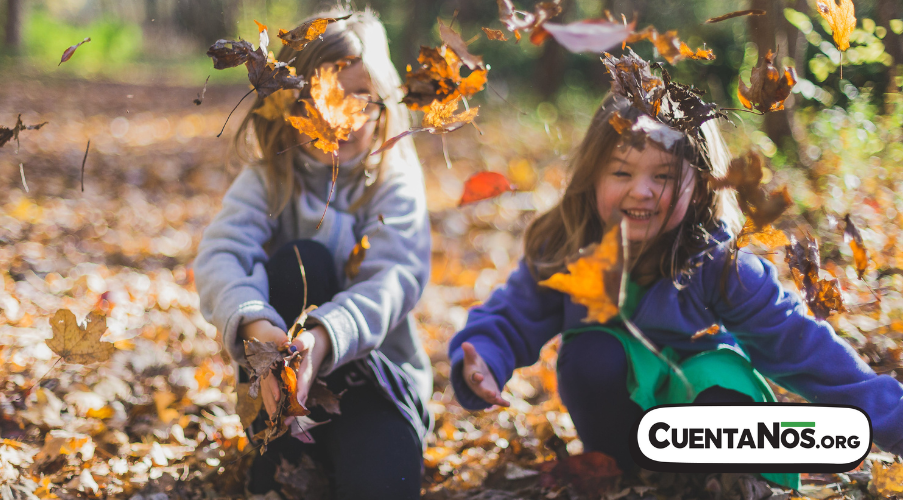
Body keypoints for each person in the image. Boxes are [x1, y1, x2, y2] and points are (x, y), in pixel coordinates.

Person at [448, 56, 903, 490]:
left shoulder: (720, 264)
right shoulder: (570, 246)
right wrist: (485, 357)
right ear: (593, 175)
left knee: (719, 387)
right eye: (621, 172)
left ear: (701, 184)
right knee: (592, 355)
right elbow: (513, 315)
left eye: (663, 176)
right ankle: (629, 470)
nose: (640, 191)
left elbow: (801, 346)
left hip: (705, 408)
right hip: (624, 425)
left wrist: (894, 422)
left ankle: (732, 475)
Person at [194, 8, 430, 499]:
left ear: (382, 100)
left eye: (358, 96)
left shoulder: (392, 184)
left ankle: (363, 448)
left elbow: (395, 279)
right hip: (280, 388)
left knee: (384, 485)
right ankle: (283, 445)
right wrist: (256, 327)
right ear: (287, 102)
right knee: (303, 260)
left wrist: (325, 338)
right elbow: (222, 256)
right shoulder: (267, 181)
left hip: (375, 385)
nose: (339, 114)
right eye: (320, 95)